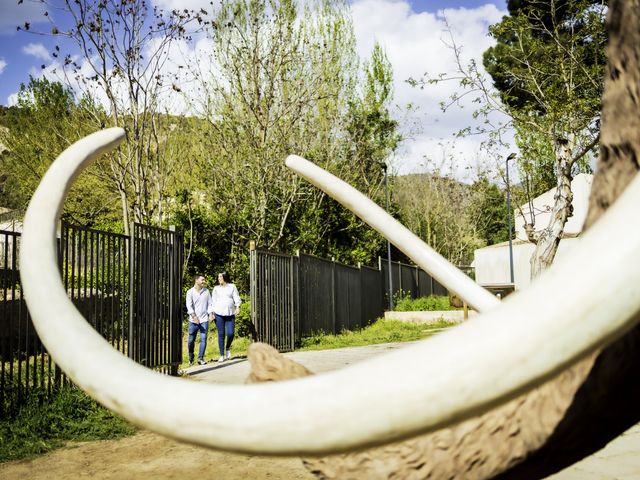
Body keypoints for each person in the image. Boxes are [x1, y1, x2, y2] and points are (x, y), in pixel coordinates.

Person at [209, 271, 241, 362]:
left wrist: (238, 307)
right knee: (221, 334)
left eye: (221, 277)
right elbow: (213, 301)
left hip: (230, 313)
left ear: (225, 277)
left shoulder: (232, 287)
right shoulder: (216, 288)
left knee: (231, 333)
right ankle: (222, 355)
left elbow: (236, 297)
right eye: (218, 277)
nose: (219, 278)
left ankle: (227, 348)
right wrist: (211, 313)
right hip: (218, 313)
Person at [185, 273, 212, 366]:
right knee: (191, 340)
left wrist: (210, 314)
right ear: (197, 281)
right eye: (202, 280)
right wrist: (194, 316)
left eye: (204, 280)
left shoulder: (207, 291)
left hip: (204, 319)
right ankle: (191, 358)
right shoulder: (190, 292)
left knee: (203, 339)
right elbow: (189, 305)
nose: (204, 281)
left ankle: (200, 358)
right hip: (193, 321)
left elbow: (210, 304)